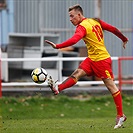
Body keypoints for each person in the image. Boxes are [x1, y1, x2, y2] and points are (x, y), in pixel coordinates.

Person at [45, 4, 128, 129]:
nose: (70, 19)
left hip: (101, 60)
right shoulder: (95, 21)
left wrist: (57, 46)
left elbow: (74, 40)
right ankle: (58, 88)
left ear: (79, 15)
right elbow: (112, 28)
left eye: (72, 16)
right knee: (77, 74)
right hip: (92, 59)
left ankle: (120, 115)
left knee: (111, 87)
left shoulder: (82, 27)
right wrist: (124, 38)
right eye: (69, 16)